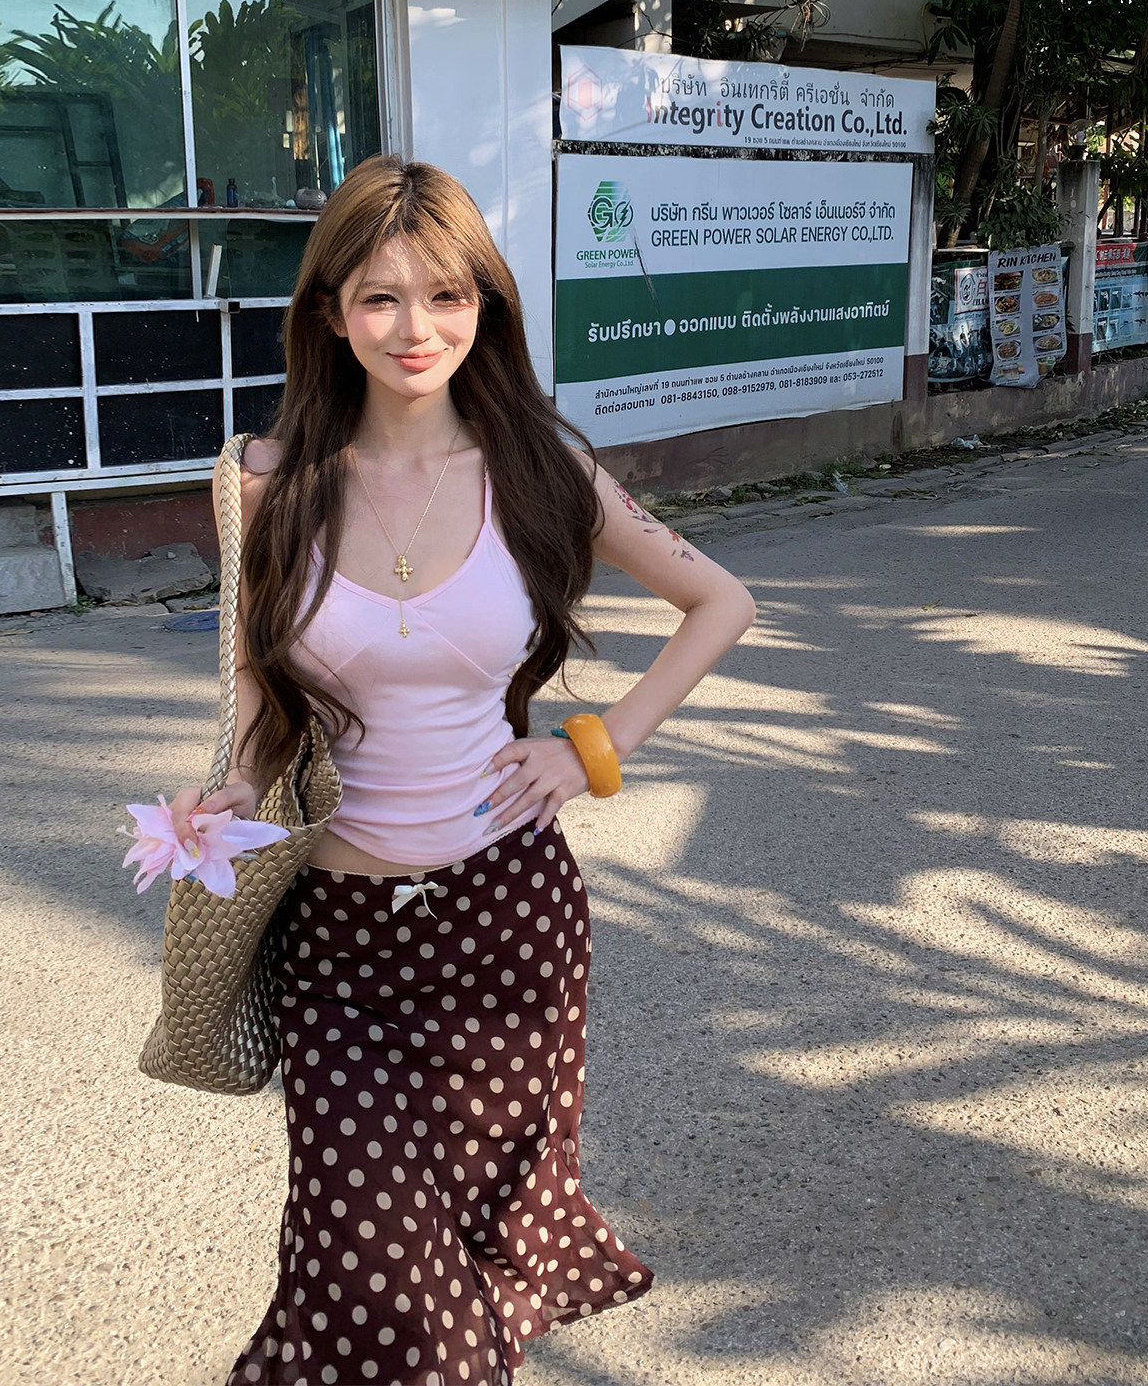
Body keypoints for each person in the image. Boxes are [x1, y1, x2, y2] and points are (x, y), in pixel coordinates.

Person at [170, 154, 757, 1386]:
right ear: (330, 313)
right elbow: (261, 707)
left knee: (474, 1258)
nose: (415, 329)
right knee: (370, 1272)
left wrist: (595, 747)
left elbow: (719, 601)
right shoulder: (264, 485)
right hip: (336, 946)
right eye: (380, 298)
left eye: (446, 295)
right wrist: (230, 796)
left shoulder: (538, 468)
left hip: (508, 929)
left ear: (483, 305)